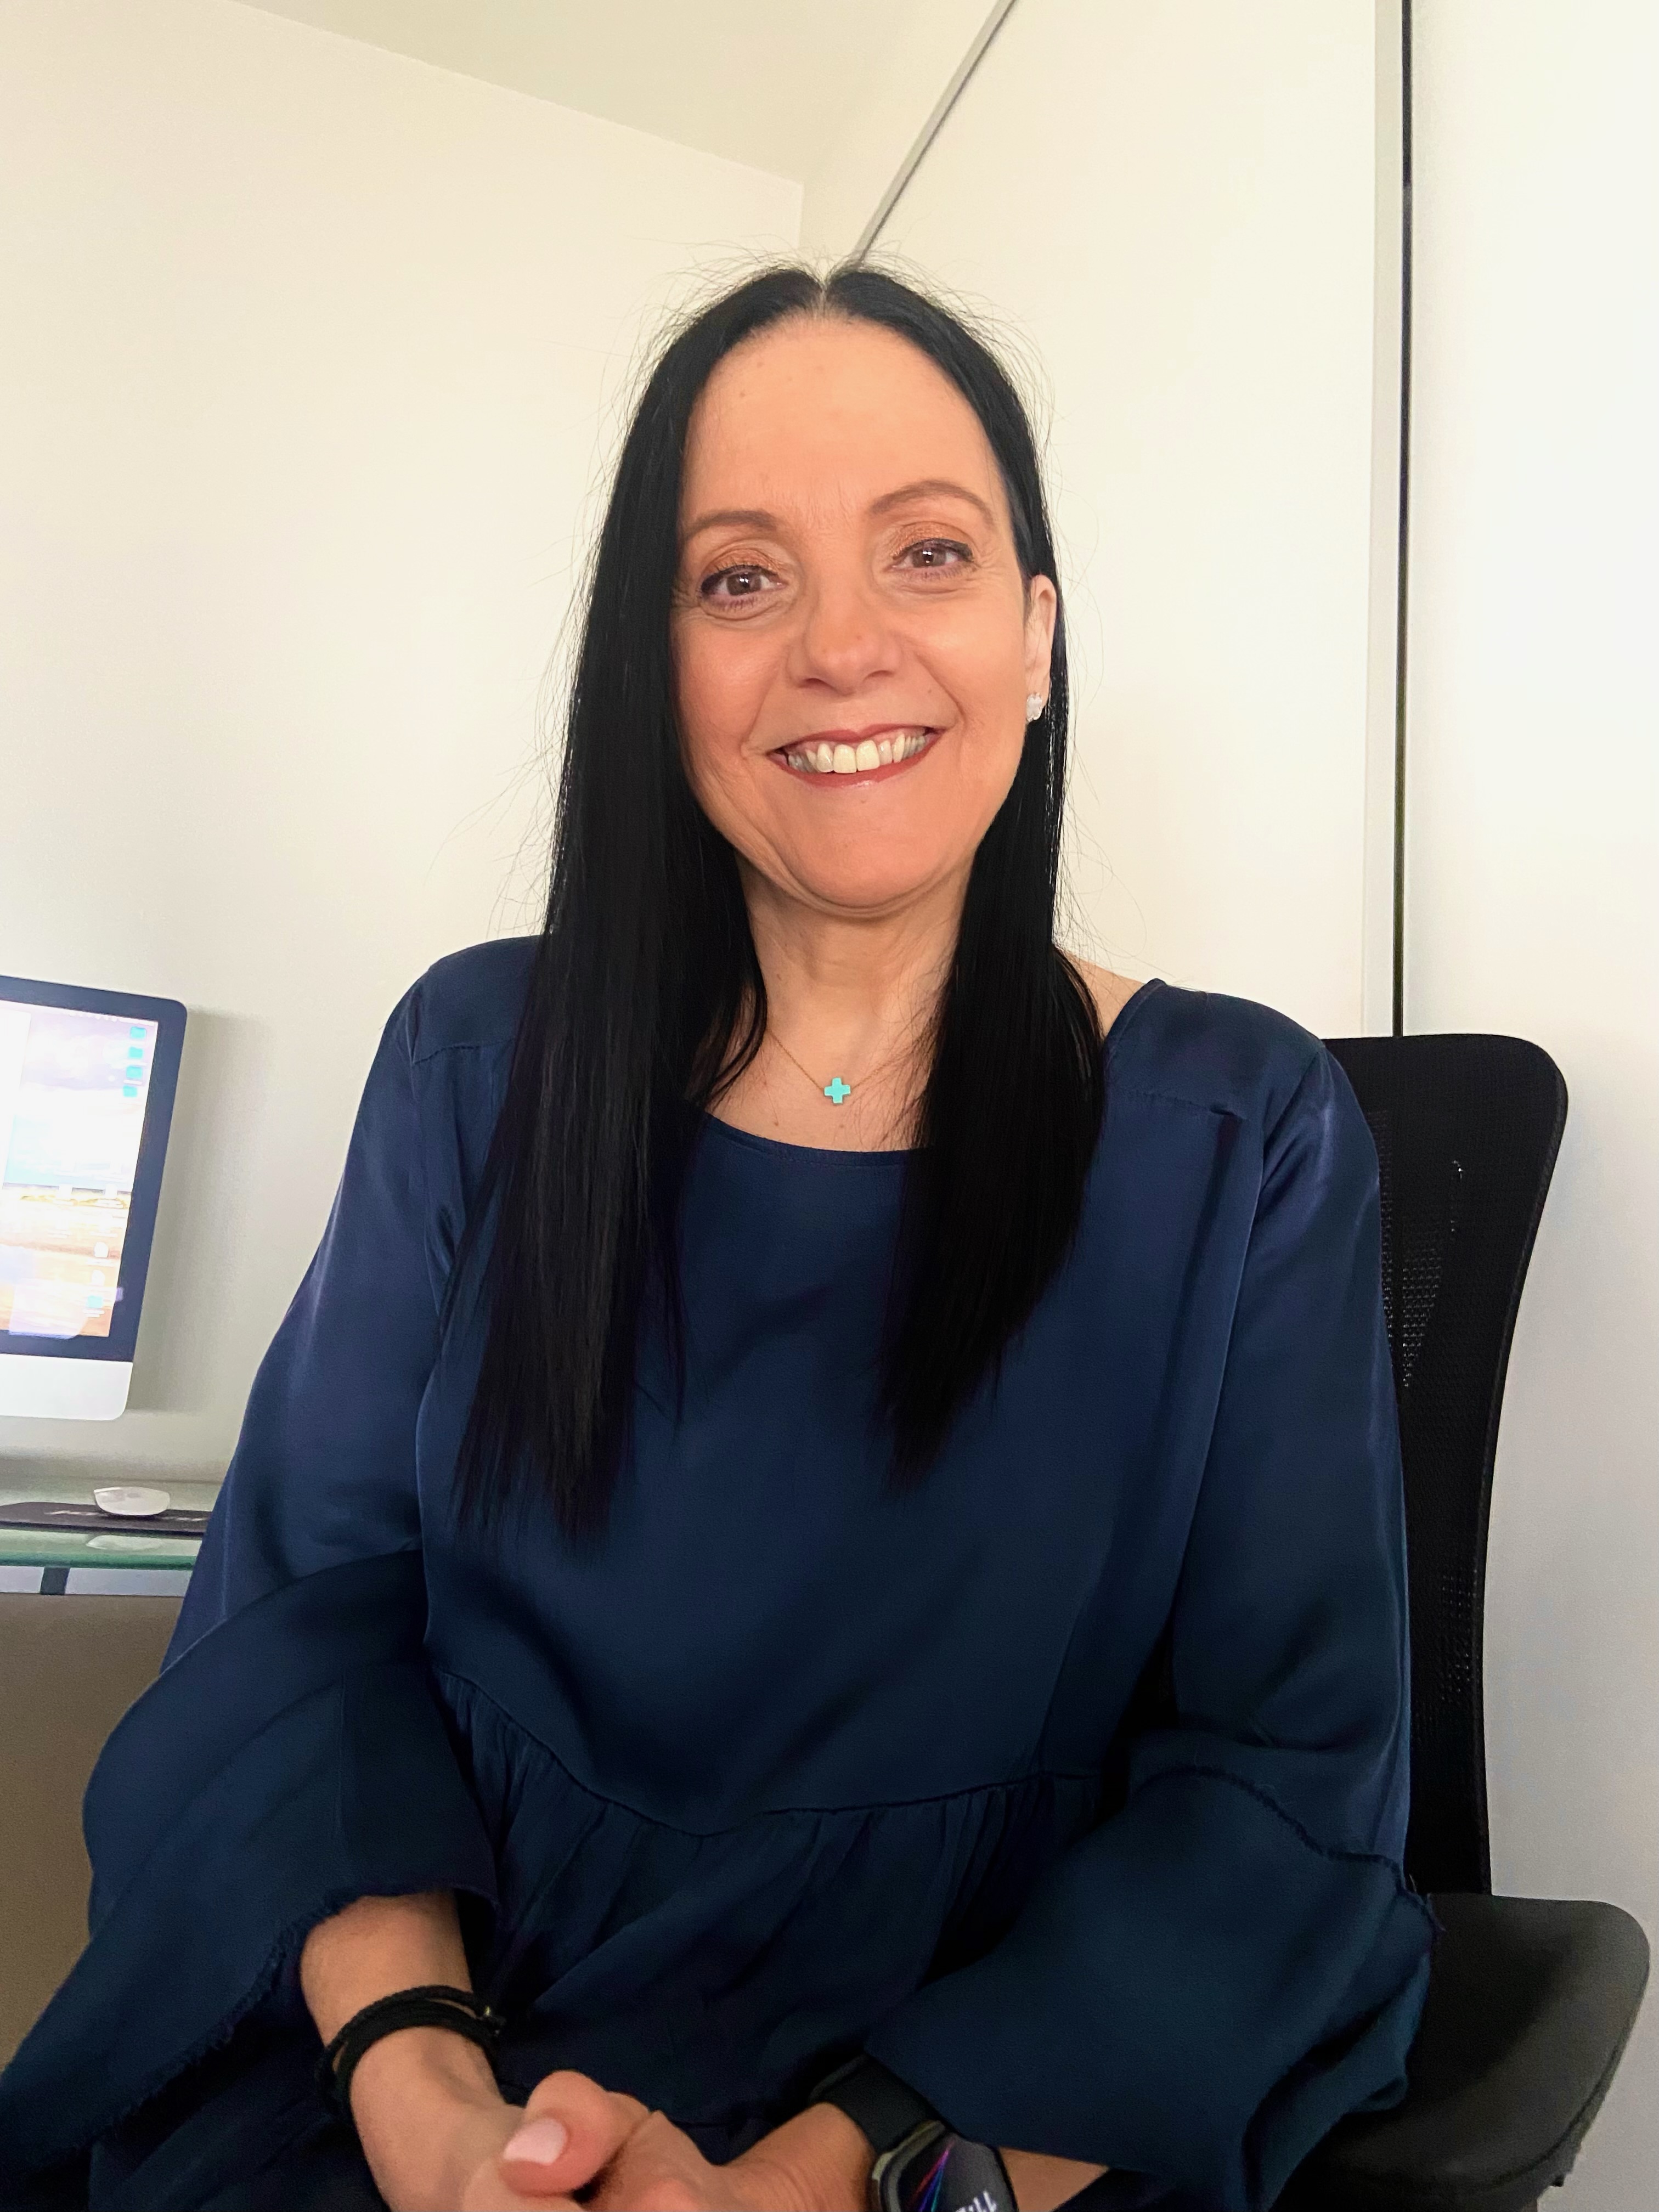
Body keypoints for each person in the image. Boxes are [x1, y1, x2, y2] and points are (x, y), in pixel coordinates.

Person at [0, 264, 1432, 2212]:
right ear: (652, 662)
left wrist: (832, 2184)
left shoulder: (1244, 1131)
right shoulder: (475, 1057)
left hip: (972, 2092)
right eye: (740, 579)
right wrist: (427, 2101)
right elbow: (304, 1626)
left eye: (925, 554)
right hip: (431, 2027)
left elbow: (1282, 1782)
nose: (842, 647)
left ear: (1035, 630)